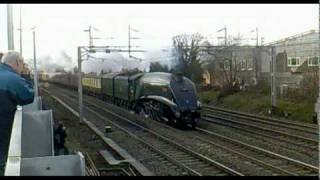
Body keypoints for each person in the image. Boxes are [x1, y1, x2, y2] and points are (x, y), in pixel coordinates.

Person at [0, 51, 34, 175]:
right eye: (22, 64)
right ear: (18, 62)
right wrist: (26, 75)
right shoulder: (12, 78)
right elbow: (28, 97)